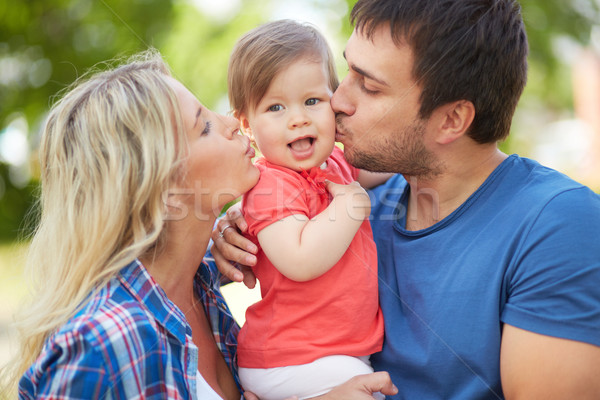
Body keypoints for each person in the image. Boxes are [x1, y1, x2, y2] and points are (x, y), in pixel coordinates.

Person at [212, 0, 600, 398]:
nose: (337, 101)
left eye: (369, 85)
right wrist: (245, 222)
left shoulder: (557, 227)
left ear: (451, 120)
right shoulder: (354, 204)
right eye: (348, 70)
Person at [3, 50, 259, 399]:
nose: (231, 122)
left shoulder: (198, 285)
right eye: (205, 126)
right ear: (163, 189)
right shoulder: (101, 346)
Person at [225, 19, 388, 400]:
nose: (298, 118)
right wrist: (349, 206)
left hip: (327, 353)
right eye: (276, 107)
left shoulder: (334, 162)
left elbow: (382, 166)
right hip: (291, 358)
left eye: (312, 101)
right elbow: (298, 259)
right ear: (247, 125)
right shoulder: (269, 185)